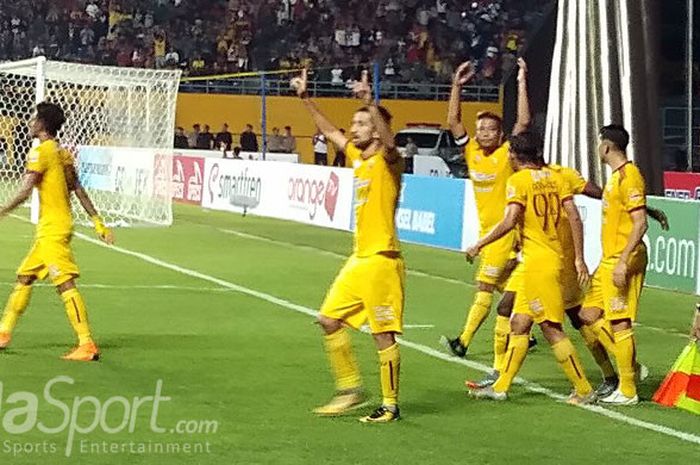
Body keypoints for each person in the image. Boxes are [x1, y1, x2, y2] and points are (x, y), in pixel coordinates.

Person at [293, 69, 405, 423]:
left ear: (375, 127)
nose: (353, 128)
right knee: (328, 320)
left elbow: (389, 144)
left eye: (360, 123)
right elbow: (329, 131)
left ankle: (390, 405)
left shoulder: (390, 162)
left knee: (382, 335)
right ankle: (351, 388)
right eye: (354, 123)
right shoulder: (359, 158)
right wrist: (305, 99)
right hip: (360, 258)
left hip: (383, 261)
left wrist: (369, 103)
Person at [466, 132, 594, 404]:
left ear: (514, 155)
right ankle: (500, 386)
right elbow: (574, 216)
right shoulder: (556, 178)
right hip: (550, 260)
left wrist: (480, 244)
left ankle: (584, 389)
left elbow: (510, 220)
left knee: (550, 328)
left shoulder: (518, 181)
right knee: (519, 323)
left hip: (538, 265)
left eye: (510, 153)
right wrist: (579, 257)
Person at [0, 102, 114, 361]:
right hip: (55, 227)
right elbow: (78, 190)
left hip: (52, 229)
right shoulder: (63, 153)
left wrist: (3, 209)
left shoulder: (40, 152)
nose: (30, 122)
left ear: (42, 124)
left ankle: (86, 343)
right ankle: (4, 332)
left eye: (33, 118)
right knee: (25, 277)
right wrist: (98, 222)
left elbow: (26, 189)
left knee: (64, 283)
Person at [441, 58, 531, 358]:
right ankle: (524, 330)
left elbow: (523, 123)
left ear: (500, 134)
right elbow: (453, 121)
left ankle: (463, 342)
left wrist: (521, 82)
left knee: (483, 286)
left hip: (503, 232)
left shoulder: (506, 154)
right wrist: (456, 86)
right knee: (511, 289)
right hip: (488, 230)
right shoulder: (471, 151)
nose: (483, 133)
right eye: (480, 129)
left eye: (490, 130)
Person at [579, 125, 649, 406]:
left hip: (623, 259)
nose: (598, 149)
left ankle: (628, 389)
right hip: (610, 259)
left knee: (619, 320)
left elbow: (639, 223)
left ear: (606, 147)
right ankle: (630, 367)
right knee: (588, 315)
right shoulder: (616, 179)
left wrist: (622, 263)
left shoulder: (629, 176)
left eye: (599, 144)